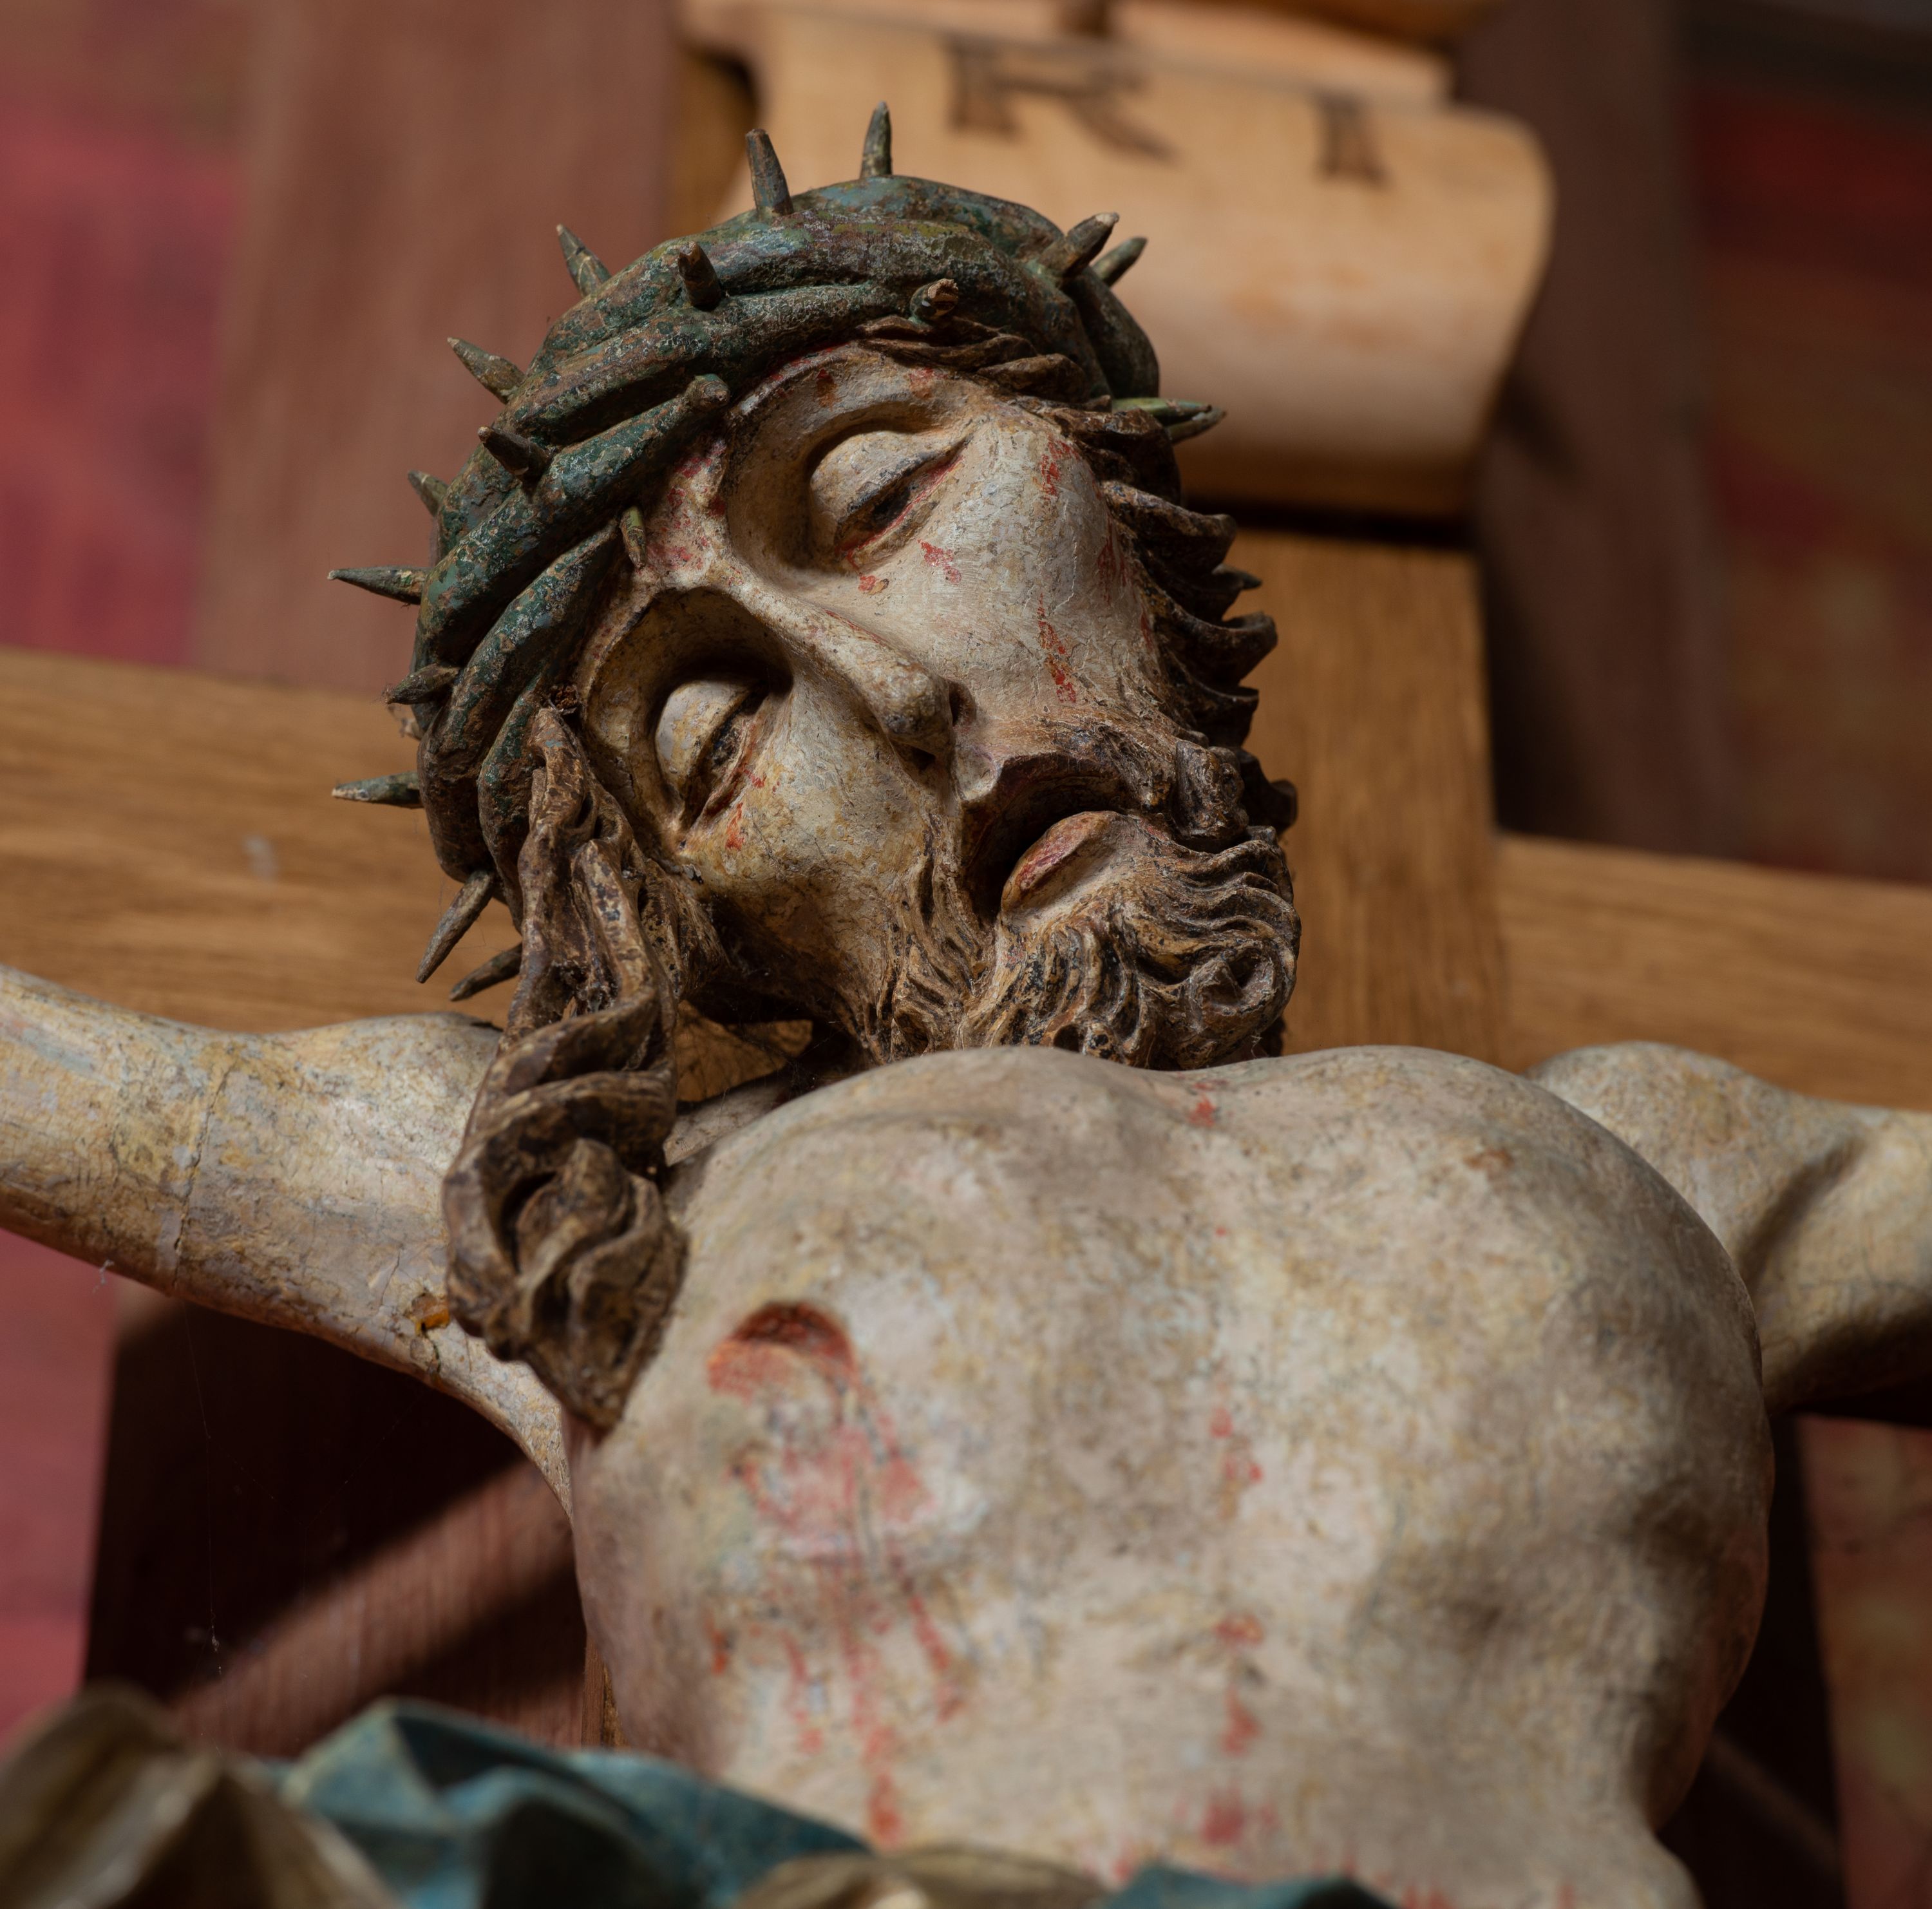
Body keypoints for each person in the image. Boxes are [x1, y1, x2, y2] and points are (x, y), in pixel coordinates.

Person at [1, 113, 1928, 1909]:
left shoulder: (1651, 1158)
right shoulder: (604, 1211)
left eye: (885, 492)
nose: (895, 696)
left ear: (1113, 499)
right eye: (718, 733)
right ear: (687, 930)